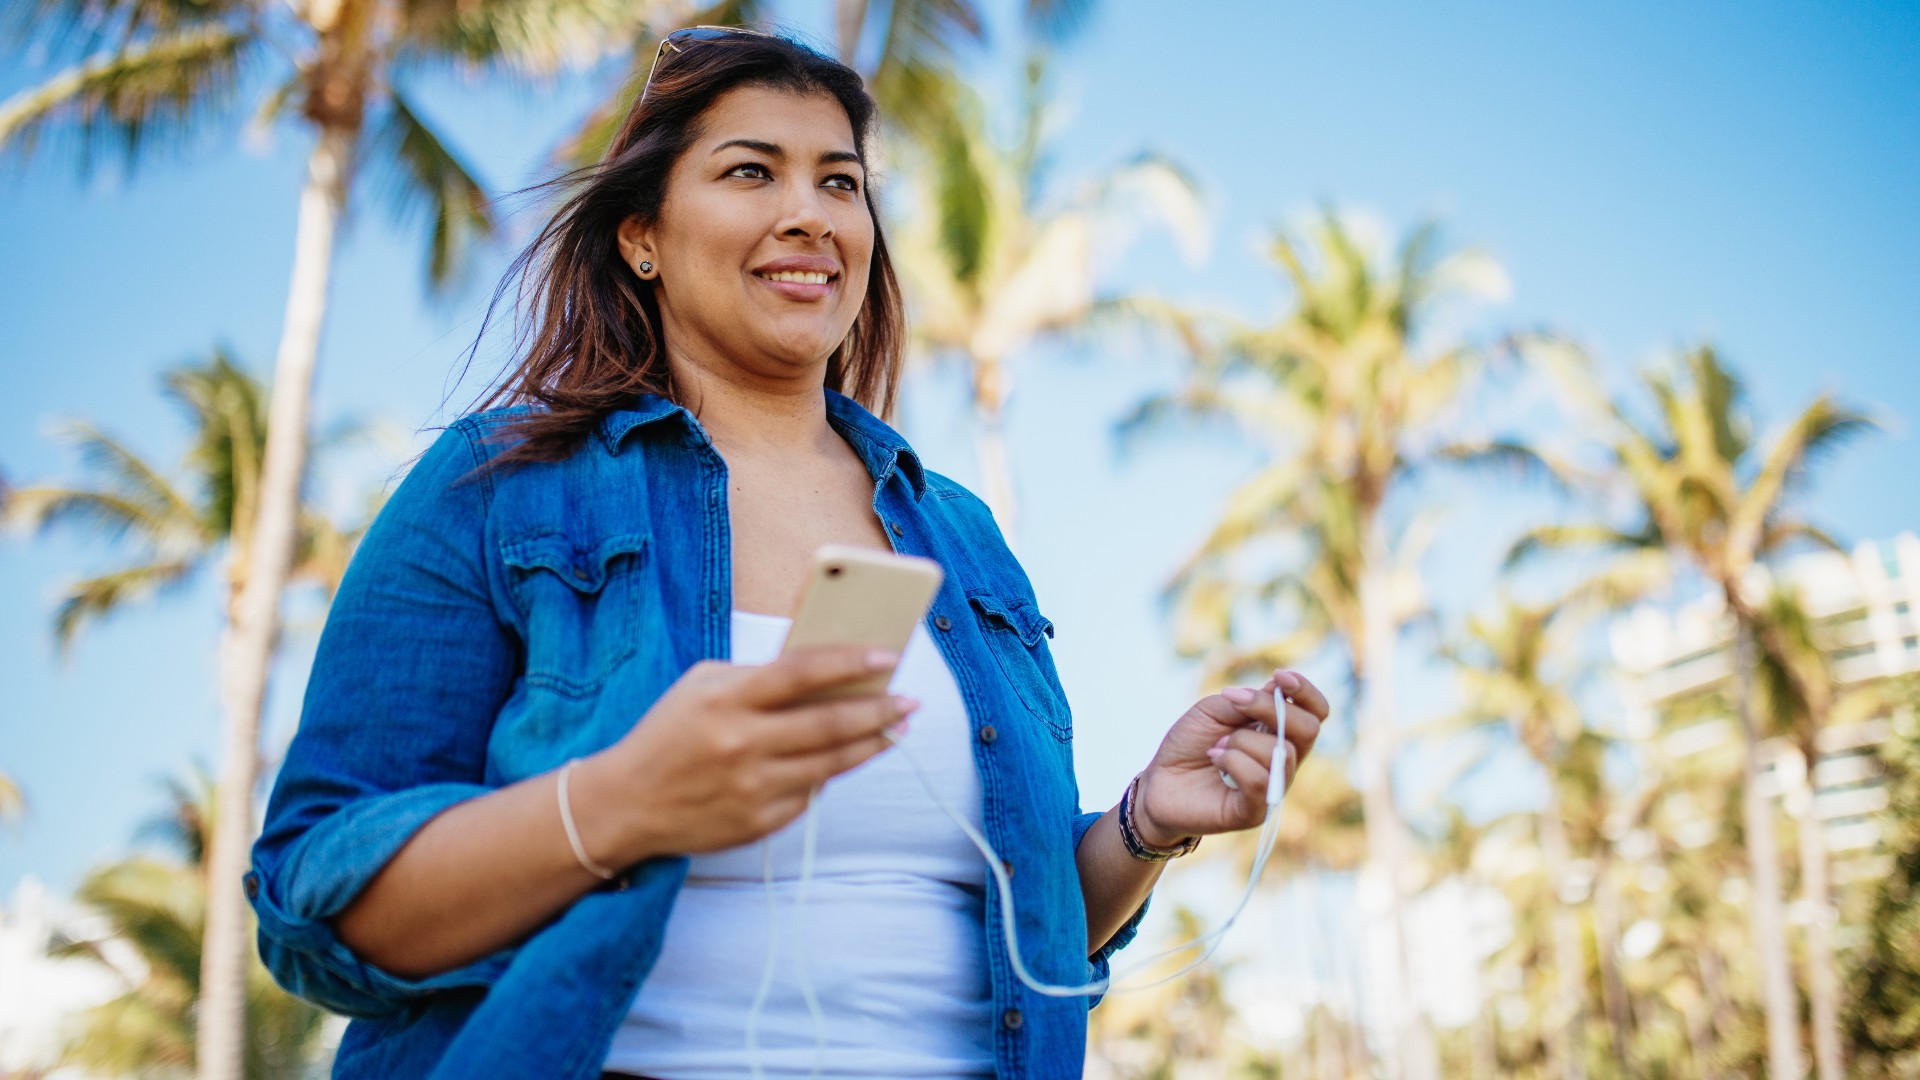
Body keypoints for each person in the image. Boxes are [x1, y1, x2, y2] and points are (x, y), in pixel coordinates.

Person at [247, 27, 1328, 1080]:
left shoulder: (959, 532)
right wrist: (627, 801)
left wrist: (1143, 828)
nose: (809, 215)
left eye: (841, 183)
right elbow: (313, 903)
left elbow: (1025, 936)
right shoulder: (498, 486)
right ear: (643, 236)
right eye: (752, 172)